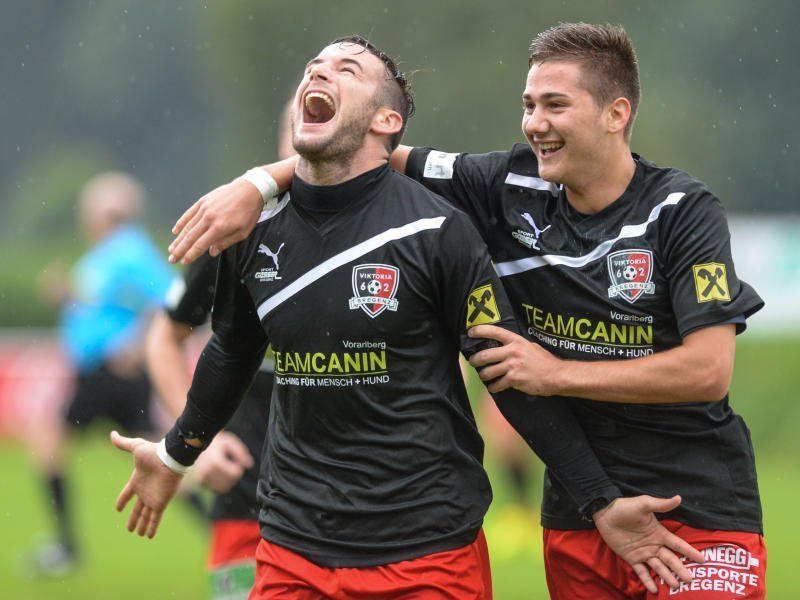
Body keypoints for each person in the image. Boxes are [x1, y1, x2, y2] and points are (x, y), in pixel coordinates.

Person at [169, 24, 767, 598]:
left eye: (555, 105)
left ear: (617, 114)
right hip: (580, 512)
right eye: (529, 105)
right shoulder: (504, 185)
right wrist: (255, 185)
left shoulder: (681, 210)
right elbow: (364, 155)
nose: (535, 123)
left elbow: (708, 371)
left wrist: (557, 373)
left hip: (696, 503)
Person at [29, 172, 174, 576]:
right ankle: (226, 524)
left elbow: (169, 301)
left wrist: (135, 346)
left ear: (105, 212)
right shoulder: (106, 254)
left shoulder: (130, 250)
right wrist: (67, 297)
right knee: (161, 459)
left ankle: (66, 548)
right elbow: (104, 306)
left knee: (48, 444)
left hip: (111, 374)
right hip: (99, 373)